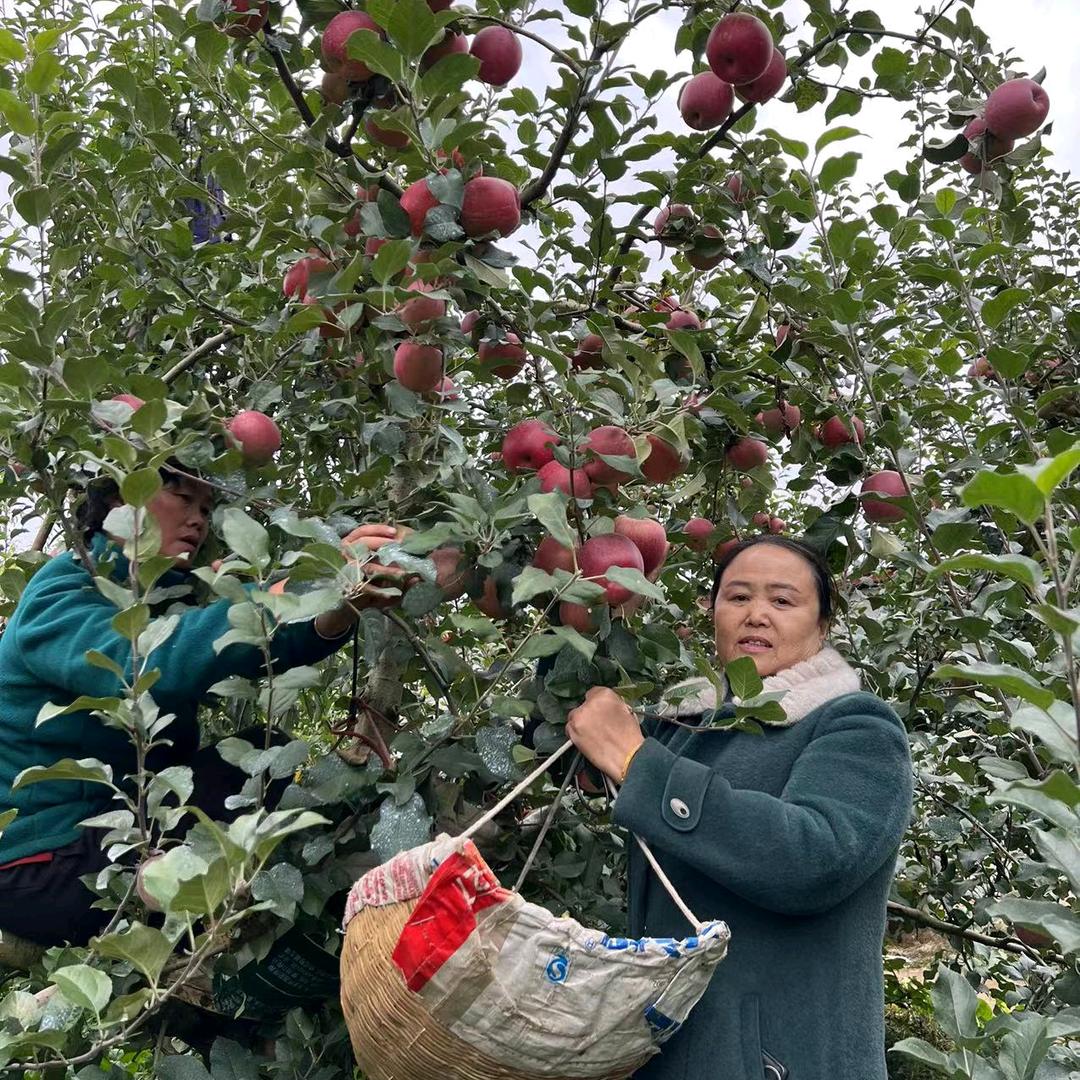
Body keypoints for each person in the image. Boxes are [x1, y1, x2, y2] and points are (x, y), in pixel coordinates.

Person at [0, 465, 409, 948]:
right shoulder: (67, 585)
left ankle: (187, 914)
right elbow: (149, 662)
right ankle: (177, 903)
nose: (198, 520)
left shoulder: (159, 602)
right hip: (40, 861)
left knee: (264, 757)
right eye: (182, 497)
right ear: (120, 498)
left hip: (108, 838)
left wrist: (339, 605)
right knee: (252, 780)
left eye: (207, 509)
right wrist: (303, 590)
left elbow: (224, 642)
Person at [566, 535, 913, 1080]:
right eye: (737, 597)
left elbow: (814, 857)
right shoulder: (685, 727)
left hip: (779, 1059)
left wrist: (638, 764)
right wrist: (601, 610)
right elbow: (564, 724)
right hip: (669, 1051)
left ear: (822, 627)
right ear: (714, 615)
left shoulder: (855, 725)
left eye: (782, 600)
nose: (756, 614)